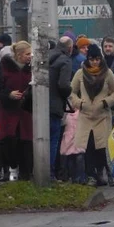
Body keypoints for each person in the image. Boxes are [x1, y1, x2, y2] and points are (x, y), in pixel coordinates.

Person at [69, 43, 114, 186]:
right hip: (85, 115)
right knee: (88, 146)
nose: (95, 62)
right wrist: (79, 103)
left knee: (103, 147)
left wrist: (106, 102)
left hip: (102, 115)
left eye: (97, 59)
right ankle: (92, 175)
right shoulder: (80, 73)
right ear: (87, 59)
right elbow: (71, 91)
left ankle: (107, 172)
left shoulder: (107, 72)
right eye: (92, 59)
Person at [0, 42, 33, 181]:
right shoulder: (5, 69)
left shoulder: (31, 70)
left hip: (25, 111)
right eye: (27, 54)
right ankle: (12, 168)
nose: (30, 57)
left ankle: (26, 173)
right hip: (9, 111)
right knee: (9, 140)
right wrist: (9, 94)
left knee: (26, 141)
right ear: (19, 55)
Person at [48, 35, 73, 179]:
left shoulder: (46, 56)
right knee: (53, 140)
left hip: (39, 106)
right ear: (70, 48)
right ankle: (50, 173)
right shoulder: (65, 61)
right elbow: (63, 85)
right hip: (55, 106)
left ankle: (37, 170)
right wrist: (69, 92)